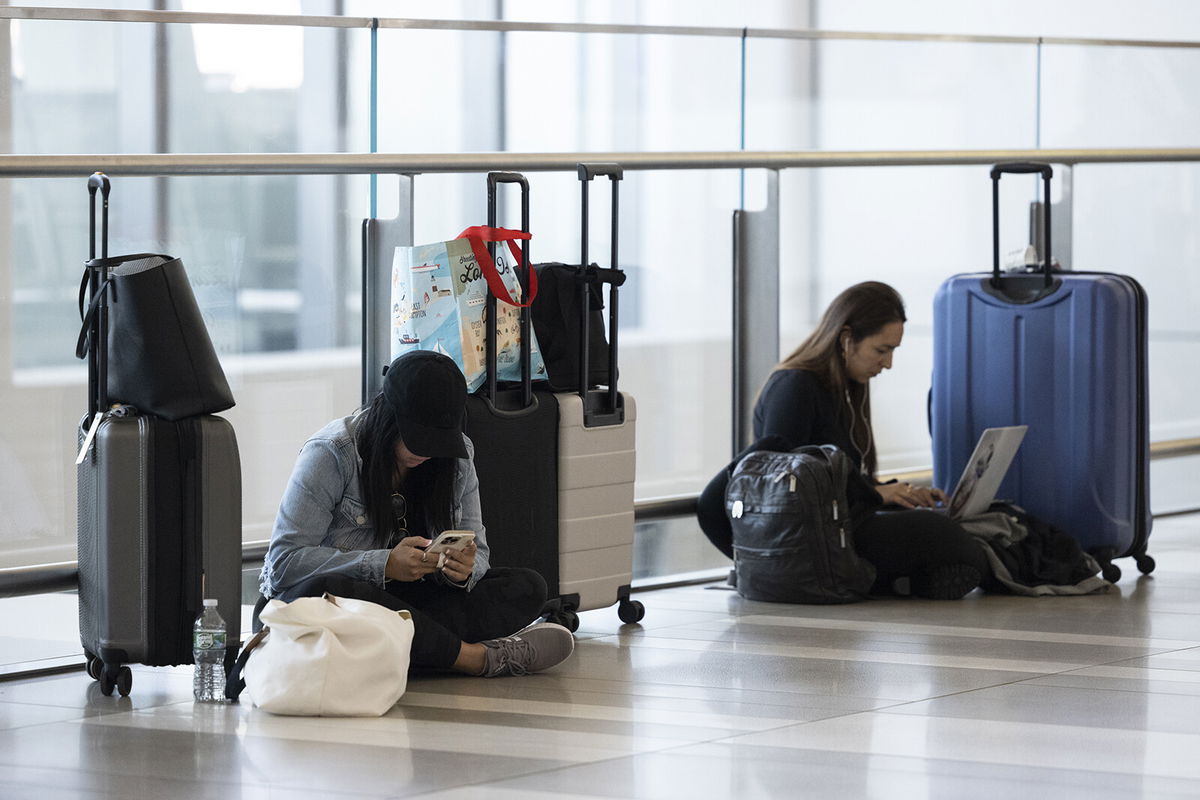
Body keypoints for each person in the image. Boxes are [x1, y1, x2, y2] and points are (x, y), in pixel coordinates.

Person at [259, 350, 574, 677]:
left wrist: (463, 570)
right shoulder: (331, 453)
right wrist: (383, 565)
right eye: (416, 439)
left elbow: (479, 552)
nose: (426, 452)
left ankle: (406, 651)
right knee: (332, 588)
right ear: (387, 416)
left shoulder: (458, 455)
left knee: (527, 586)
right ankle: (475, 658)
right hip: (340, 603)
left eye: (437, 441)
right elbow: (281, 566)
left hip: (401, 605)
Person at [697, 281, 988, 600]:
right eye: (882, 350)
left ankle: (892, 580)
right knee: (945, 537)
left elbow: (838, 479)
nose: (888, 364)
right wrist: (876, 494)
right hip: (814, 535)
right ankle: (897, 579)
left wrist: (893, 493)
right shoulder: (795, 386)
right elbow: (783, 488)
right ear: (847, 339)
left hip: (837, 525)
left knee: (955, 530)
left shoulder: (846, 390)